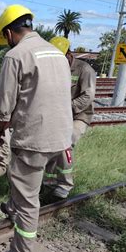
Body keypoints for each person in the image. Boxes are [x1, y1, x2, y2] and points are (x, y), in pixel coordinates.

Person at [0, 5, 73, 252]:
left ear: (10, 32)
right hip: (61, 137)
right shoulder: (56, 53)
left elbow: (2, 105)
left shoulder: (16, 55)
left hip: (34, 138)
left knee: (28, 201)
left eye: (6, 38)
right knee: (21, 179)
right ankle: (13, 207)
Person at [43, 36, 96, 200]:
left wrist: (67, 108)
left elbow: (88, 96)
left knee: (66, 142)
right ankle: (49, 182)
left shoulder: (84, 70)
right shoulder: (53, 68)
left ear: (69, 54)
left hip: (78, 115)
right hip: (58, 115)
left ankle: (65, 185)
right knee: (50, 144)